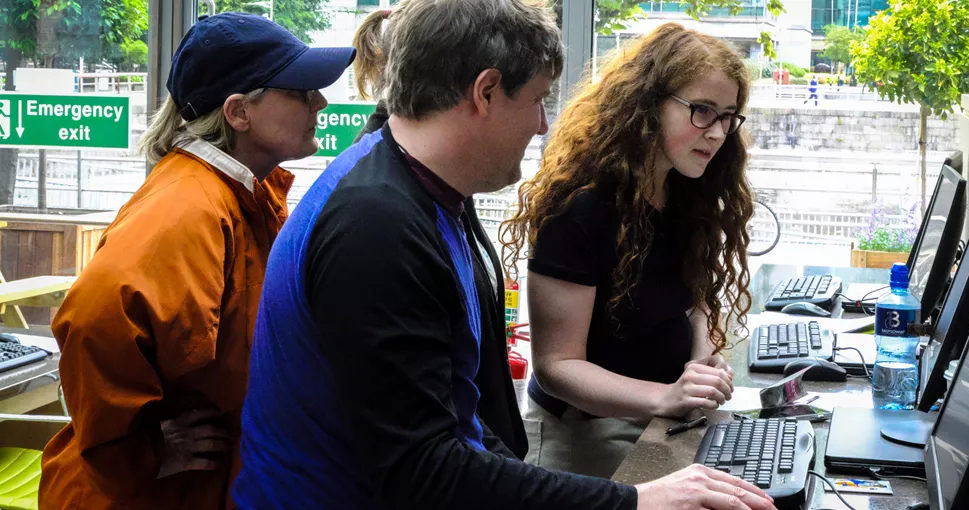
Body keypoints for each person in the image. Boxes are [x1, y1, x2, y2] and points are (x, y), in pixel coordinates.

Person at [234, 1, 775, 509]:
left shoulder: (418, 186)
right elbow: (422, 469)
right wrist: (634, 499)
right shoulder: (377, 226)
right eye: (538, 98)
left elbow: (450, 410)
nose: (544, 124)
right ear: (486, 91)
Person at [39, 13, 354, 509]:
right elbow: (94, 319)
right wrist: (145, 452)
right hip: (139, 495)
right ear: (238, 112)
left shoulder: (242, 194)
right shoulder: (189, 207)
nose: (320, 101)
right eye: (300, 90)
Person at [500, 23, 753, 478]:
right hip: (582, 437)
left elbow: (693, 297)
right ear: (648, 106)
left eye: (729, 115)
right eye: (702, 111)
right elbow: (557, 366)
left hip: (660, 424)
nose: (718, 133)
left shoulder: (686, 191)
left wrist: (699, 364)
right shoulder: (580, 208)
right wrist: (666, 397)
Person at [345, 7, 530, 458]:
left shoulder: (433, 177)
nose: (541, 123)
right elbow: (419, 444)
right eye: (535, 99)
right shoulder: (381, 204)